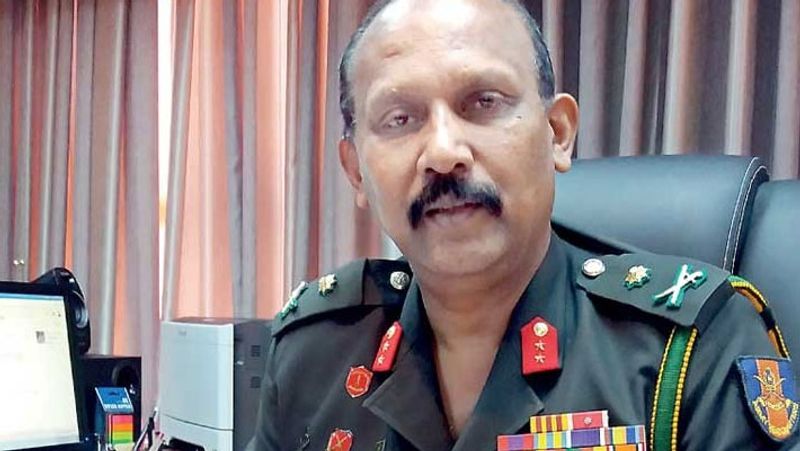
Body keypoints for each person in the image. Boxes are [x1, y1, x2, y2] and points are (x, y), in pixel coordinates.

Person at [249, 0, 798, 449]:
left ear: (558, 134)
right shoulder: (316, 352)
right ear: (356, 172)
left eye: (483, 102)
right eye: (400, 119)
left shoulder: (691, 348)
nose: (442, 152)